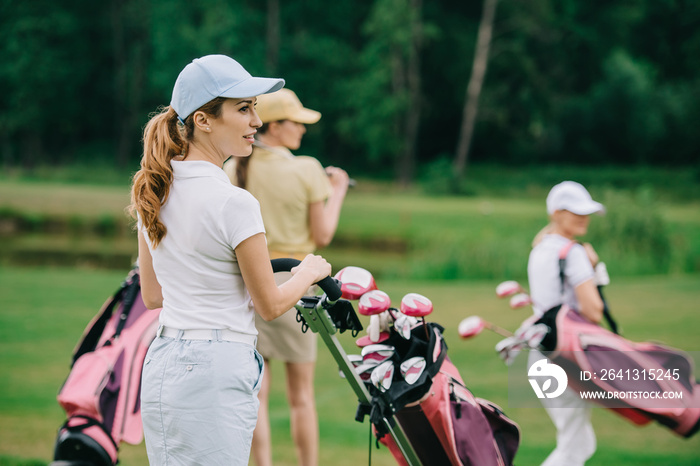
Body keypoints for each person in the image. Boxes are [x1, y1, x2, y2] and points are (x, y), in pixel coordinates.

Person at [129, 55, 332, 466]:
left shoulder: (154, 190)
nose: (256, 121)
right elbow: (270, 305)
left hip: (164, 361)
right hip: (216, 368)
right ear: (204, 120)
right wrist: (310, 270)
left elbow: (152, 296)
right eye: (244, 108)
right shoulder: (234, 202)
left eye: (255, 107)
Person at [223, 88, 349, 466]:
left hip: (249, 286)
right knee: (302, 397)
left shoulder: (232, 167)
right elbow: (323, 234)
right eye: (296, 123)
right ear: (275, 127)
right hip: (296, 289)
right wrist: (338, 190)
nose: (303, 130)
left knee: (256, 395)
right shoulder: (307, 168)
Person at [527, 180, 606, 466]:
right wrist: (594, 269)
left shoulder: (540, 249)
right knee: (575, 446)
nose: (583, 217)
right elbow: (594, 310)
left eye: (585, 212)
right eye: (576, 211)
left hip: (539, 354)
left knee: (579, 441)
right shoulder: (573, 253)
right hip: (566, 356)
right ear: (557, 212)